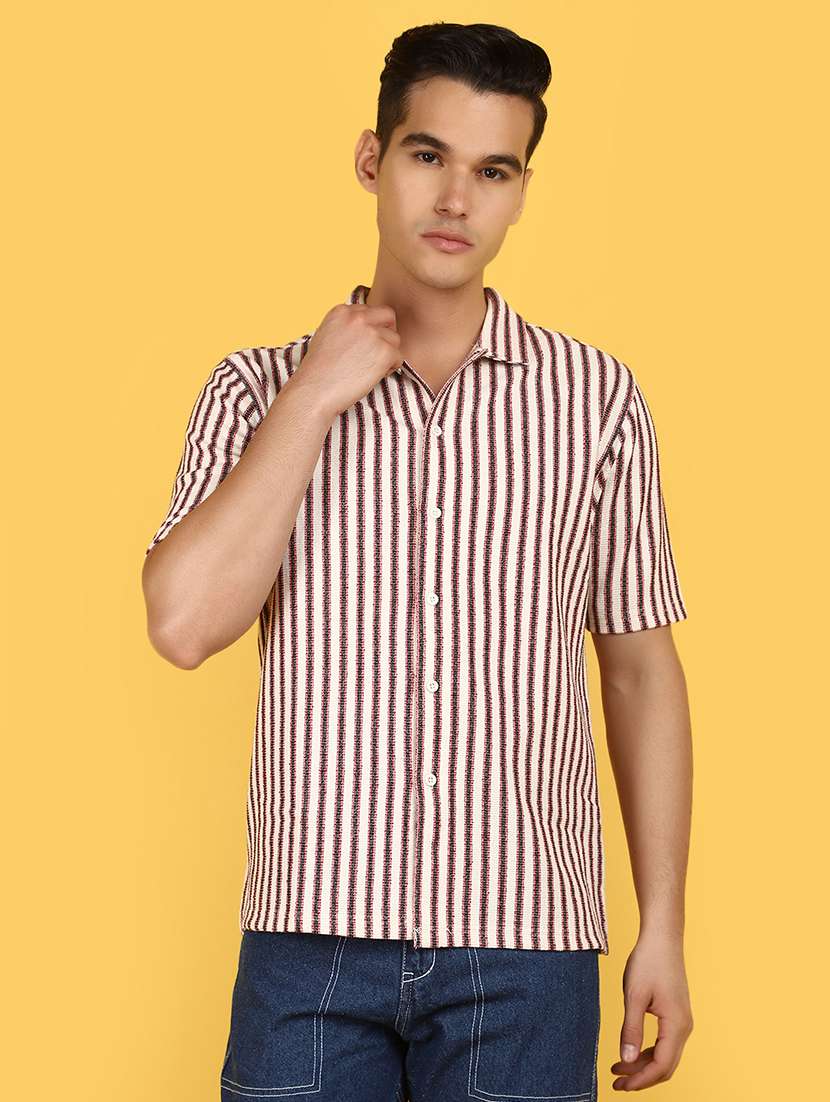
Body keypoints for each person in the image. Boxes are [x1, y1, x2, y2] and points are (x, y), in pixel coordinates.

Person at [141, 21, 693, 1101]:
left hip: (525, 951)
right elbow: (183, 625)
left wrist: (661, 925)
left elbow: (638, 670)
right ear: (371, 159)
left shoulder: (594, 402)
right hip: (309, 945)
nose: (454, 200)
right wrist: (315, 394)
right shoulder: (256, 390)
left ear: (520, 191)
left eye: (492, 171)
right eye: (428, 154)